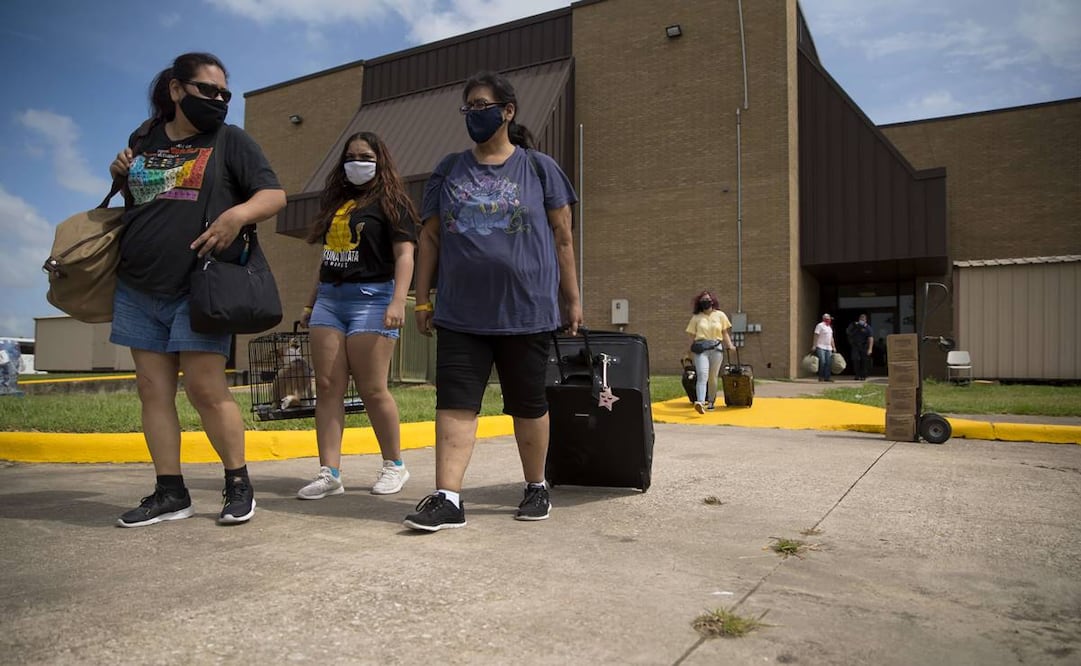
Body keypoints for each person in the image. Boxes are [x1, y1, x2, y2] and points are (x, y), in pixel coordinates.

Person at [108, 53, 286, 527]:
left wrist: (236, 215)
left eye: (224, 93)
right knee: (152, 391)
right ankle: (170, 492)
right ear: (176, 90)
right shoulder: (144, 137)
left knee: (206, 388)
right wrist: (119, 172)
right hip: (137, 283)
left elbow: (274, 195)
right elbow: (141, 201)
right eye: (207, 90)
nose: (218, 100)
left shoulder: (231, 141)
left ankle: (239, 485)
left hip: (199, 285)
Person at [404, 70, 582, 532]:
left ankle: (536, 487)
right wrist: (421, 300)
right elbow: (430, 240)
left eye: (482, 105)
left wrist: (572, 300)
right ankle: (447, 498)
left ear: (508, 111)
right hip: (462, 312)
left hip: (526, 310)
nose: (473, 114)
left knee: (528, 403)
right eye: (468, 107)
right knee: (455, 402)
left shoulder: (540, 168)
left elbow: (564, 239)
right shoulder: (448, 169)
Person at [296, 131, 419, 499]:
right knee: (328, 387)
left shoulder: (392, 202)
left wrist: (399, 300)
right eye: (350, 156)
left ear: (379, 161)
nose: (357, 163)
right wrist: (309, 302)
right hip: (330, 300)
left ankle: (394, 465)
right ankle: (329, 473)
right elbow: (327, 257)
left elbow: (405, 255)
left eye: (365, 157)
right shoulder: (336, 202)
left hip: (373, 298)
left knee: (371, 388)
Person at [684, 290, 735, 413]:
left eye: (707, 299)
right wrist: (688, 352)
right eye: (703, 300)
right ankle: (700, 402)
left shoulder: (720, 315)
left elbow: (724, 333)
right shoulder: (696, 318)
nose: (705, 302)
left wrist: (730, 345)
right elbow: (691, 336)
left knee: (712, 377)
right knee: (702, 375)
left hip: (716, 349)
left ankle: (711, 401)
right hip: (700, 349)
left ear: (712, 301)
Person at [846, 313, 874, 380]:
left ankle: (863, 375)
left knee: (864, 361)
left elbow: (871, 338)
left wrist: (870, 349)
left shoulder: (868, 328)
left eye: (863, 319)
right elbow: (848, 332)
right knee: (856, 360)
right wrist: (854, 326)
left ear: (866, 320)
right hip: (855, 346)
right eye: (861, 319)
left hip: (864, 346)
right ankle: (857, 375)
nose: (861, 320)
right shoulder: (854, 325)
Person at [811, 313, 837, 382]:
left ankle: (827, 377)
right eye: (827, 319)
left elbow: (831, 338)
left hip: (828, 348)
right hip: (820, 346)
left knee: (828, 362)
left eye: (829, 319)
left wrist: (834, 347)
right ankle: (821, 376)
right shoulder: (820, 325)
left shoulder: (829, 327)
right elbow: (816, 335)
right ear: (824, 319)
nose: (829, 320)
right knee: (822, 361)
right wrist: (814, 345)